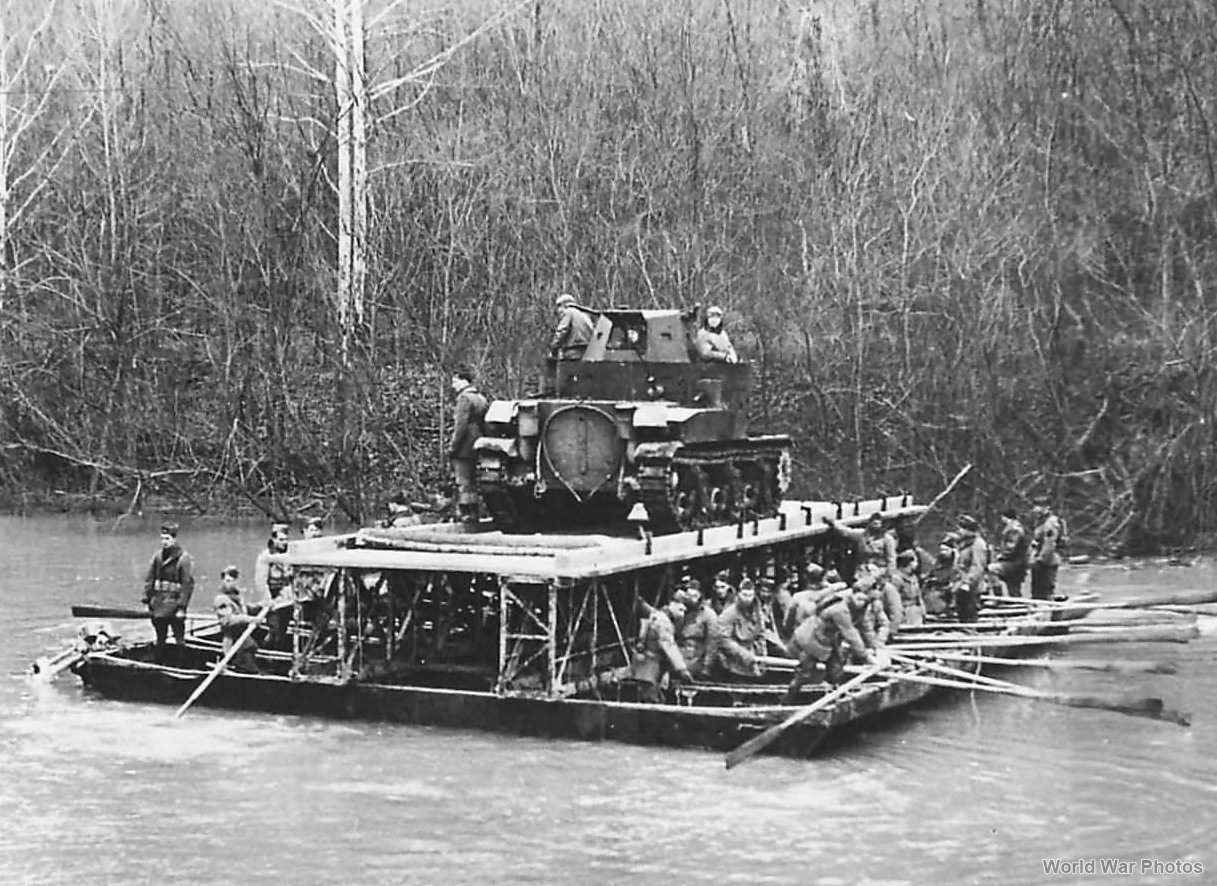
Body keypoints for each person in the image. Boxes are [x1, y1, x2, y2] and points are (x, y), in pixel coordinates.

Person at [783, 577, 886, 699]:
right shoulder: (840, 609)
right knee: (805, 672)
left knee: (836, 668)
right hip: (811, 638)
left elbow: (865, 627)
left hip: (829, 640)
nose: (862, 603)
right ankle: (788, 699)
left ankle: (835, 695)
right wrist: (865, 656)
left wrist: (875, 648)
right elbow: (850, 633)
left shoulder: (861, 605)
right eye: (860, 599)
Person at [141, 521, 194, 665]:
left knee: (179, 639)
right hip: (158, 605)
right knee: (160, 638)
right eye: (162, 539)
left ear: (174, 539)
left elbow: (187, 585)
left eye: (167, 539)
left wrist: (182, 608)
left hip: (174, 606)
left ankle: (181, 666)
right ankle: (159, 664)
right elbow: (149, 579)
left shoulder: (183, 559)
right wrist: (146, 599)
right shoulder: (157, 557)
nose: (164, 542)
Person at [629, 596, 692, 703]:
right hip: (649, 665)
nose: (683, 613)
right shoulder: (663, 622)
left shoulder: (658, 617)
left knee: (656, 697)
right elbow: (668, 645)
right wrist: (682, 669)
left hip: (652, 665)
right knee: (651, 700)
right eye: (681, 609)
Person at [449, 366, 488, 524]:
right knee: (473, 479)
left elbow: (460, 426)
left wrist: (453, 447)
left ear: (464, 380)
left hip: (465, 444)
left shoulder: (464, 398)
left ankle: (467, 513)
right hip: (478, 441)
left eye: (455, 381)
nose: (453, 385)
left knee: (463, 480)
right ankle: (475, 511)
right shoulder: (481, 398)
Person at [712, 578, 767, 680]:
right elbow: (723, 639)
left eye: (750, 595)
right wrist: (744, 654)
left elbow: (761, 635)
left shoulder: (758, 613)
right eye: (744, 595)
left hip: (753, 659)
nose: (747, 599)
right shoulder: (729, 614)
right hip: (733, 662)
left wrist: (763, 658)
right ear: (739, 594)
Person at [253, 522, 293, 650]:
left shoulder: (290, 554)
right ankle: (265, 651)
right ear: (273, 539)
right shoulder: (265, 556)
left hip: (287, 598)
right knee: (274, 630)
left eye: (286, 539)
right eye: (281, 540)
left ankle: (278, 650)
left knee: (283, 630)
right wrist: (268, 601)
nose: (284, 543)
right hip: (272, 598)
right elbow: (260, 582)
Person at [824, 512, 896, 579]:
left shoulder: (887, 539)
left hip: (879, 570)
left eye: (877, 524)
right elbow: (847, 532)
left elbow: (891, 559)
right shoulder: (862, 535)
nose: (875, 526)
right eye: (873, 523)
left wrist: (888, 575)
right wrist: (833, 524)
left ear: (881, 525)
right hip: (862, 569)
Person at [673, 582, 717, 679]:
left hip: (697, 659)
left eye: (694, 596)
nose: (691, 599)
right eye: (689, 595)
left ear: (700, 596)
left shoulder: (708, 614)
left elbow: (712, 643)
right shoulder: (678, 611)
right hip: (677, 656)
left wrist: (707, 667)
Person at [953, 515, 990, 623]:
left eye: (961, 528)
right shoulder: (965, 543)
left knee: (969, 614)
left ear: (968, 530)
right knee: (962, 614)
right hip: (961, 584)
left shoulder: (978, 544)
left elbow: (977, 566)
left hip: (971, 587)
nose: (959, 531)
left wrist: (967, 583)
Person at [213, 593, 261, 673]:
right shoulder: (227, 620)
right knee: (248, 667)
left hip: (246, 646)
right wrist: (252, 619)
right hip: (242, 650)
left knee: (248, 665)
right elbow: (235, 620)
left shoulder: (237, 611)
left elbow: (241, 616)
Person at [989, 507, 1031, 597]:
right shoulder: (1015, 527)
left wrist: (1000, 556)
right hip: (1018, 562)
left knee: (991, 569)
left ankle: (998, 597)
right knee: (1014, 591)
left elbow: (1011, 547)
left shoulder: (1014, 529)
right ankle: (1016, 604)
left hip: (1015, 563)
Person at [1029, 501, 1065, 600]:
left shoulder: (1051, 523)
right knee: (1037, 590)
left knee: (1045, 589)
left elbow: (1049, 543)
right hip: (1039, 558)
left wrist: (1041, 560)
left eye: (1037, 506)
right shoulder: (1041, 521)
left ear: (1046, 507)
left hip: (1047, 561)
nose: (1035, 509)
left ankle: (1047, 605)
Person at [548, 293, 595, 361]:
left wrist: (553, 348)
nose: (559, 310)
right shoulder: (584, 315)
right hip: (587, 352)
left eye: (559, 306)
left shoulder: (569, 312)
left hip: (573, 350)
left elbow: (562, 331)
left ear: (564, 305)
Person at [922, 533, 959, 615]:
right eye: (941, 550)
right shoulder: (938, 562)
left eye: (945, 550)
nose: (942, 552)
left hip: (947, 592)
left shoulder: (956, 564)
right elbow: (931, 573)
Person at [889, 549, 925, 628]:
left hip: (916, 613)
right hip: (905, 612)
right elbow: (894, 600)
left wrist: (922, 610)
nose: (917, 564)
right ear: (909, 562)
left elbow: (919, 596)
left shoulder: (913, 577)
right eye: (915, 561)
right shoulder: (896, 578)